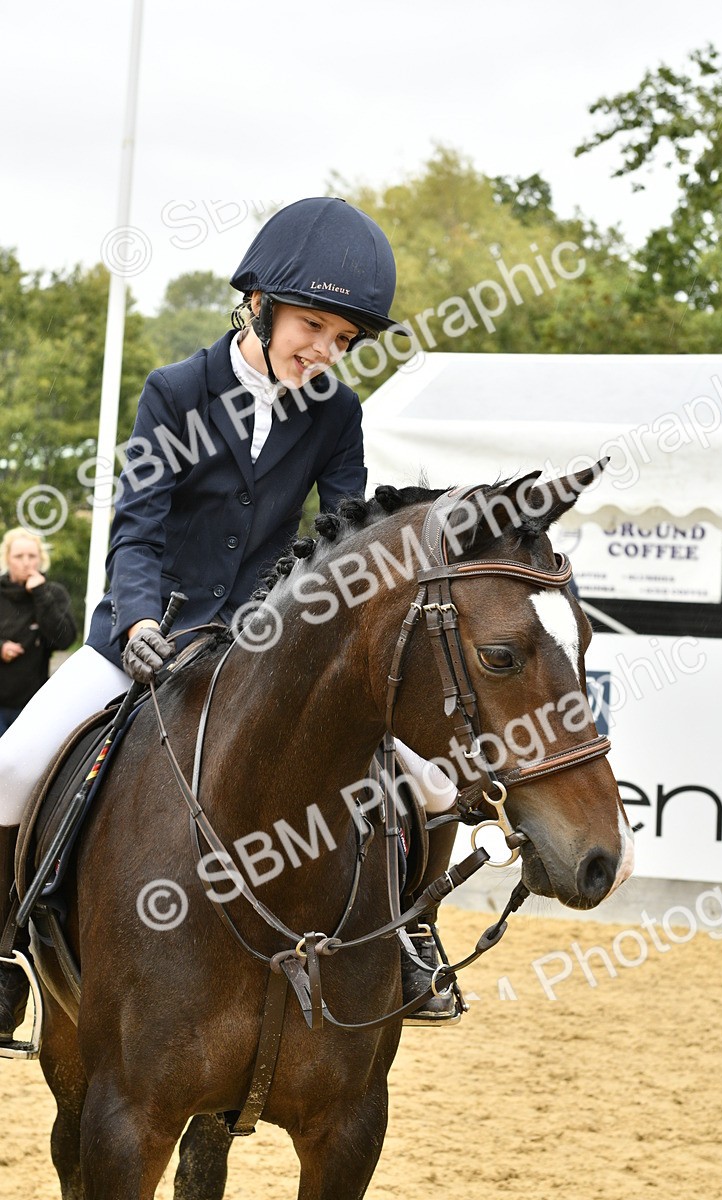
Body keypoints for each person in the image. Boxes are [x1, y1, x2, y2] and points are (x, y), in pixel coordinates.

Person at [0, 198, 458, 1044]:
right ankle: (2, 951)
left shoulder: (336, 415)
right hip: (148, 635)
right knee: (13, 761)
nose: (323, 351)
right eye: (312, 325)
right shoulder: (174, 392)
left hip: (263, 646)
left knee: (428, 780)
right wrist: (138, 623)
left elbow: (344, 535)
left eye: (343, 341)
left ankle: (411, 935)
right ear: (258, 302)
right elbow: (135, 528)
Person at [0, 529, 76, 736]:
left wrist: (40, 594)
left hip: (32, 706)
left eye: (32, 556)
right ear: (7, 559)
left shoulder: (53, 593)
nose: (26, 562)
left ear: (41, 559)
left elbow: (64, 639)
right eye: (18, 556)